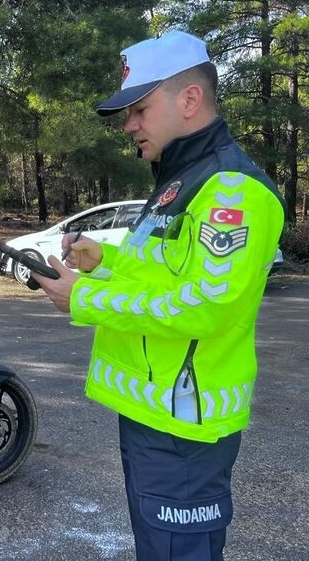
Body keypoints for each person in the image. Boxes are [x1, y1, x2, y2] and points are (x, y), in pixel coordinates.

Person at [33, 31, 285, 560]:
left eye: (140, 109)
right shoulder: (181, 181)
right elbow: (165, 274)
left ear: (189, 100)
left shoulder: (233, 190)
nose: (129, 125)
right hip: (156, 415)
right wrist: (104, 261)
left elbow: (203, 306)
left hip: (185, 427)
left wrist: (84, 299)